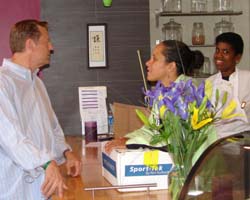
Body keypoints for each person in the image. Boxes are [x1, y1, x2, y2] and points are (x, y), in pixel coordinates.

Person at [0, 19, 81, 199]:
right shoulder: (3, 83)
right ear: (30, 44)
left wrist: (67, 153)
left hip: (44, 188)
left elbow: (52, 128)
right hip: (14, 191)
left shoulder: (37, 83)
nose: (51, 47)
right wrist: (46, 163)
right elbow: (11, 138)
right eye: (47, 42)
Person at [105, 40, 204, 154]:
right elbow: (152, 129)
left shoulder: (186, 93)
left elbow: (175, 141)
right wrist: (126, 139)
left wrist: (131, 144)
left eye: (154, 59)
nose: (148, 63)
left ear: (171, 66)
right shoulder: (163, 92)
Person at [207, 32, 250, 138]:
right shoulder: (209, 82)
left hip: (242, 137)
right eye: (217, 50)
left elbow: (245, 105)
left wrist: (241, 106)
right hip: (214, 140)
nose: (218, 56)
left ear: (237, 58)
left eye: (225, 52)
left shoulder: (247, 78)